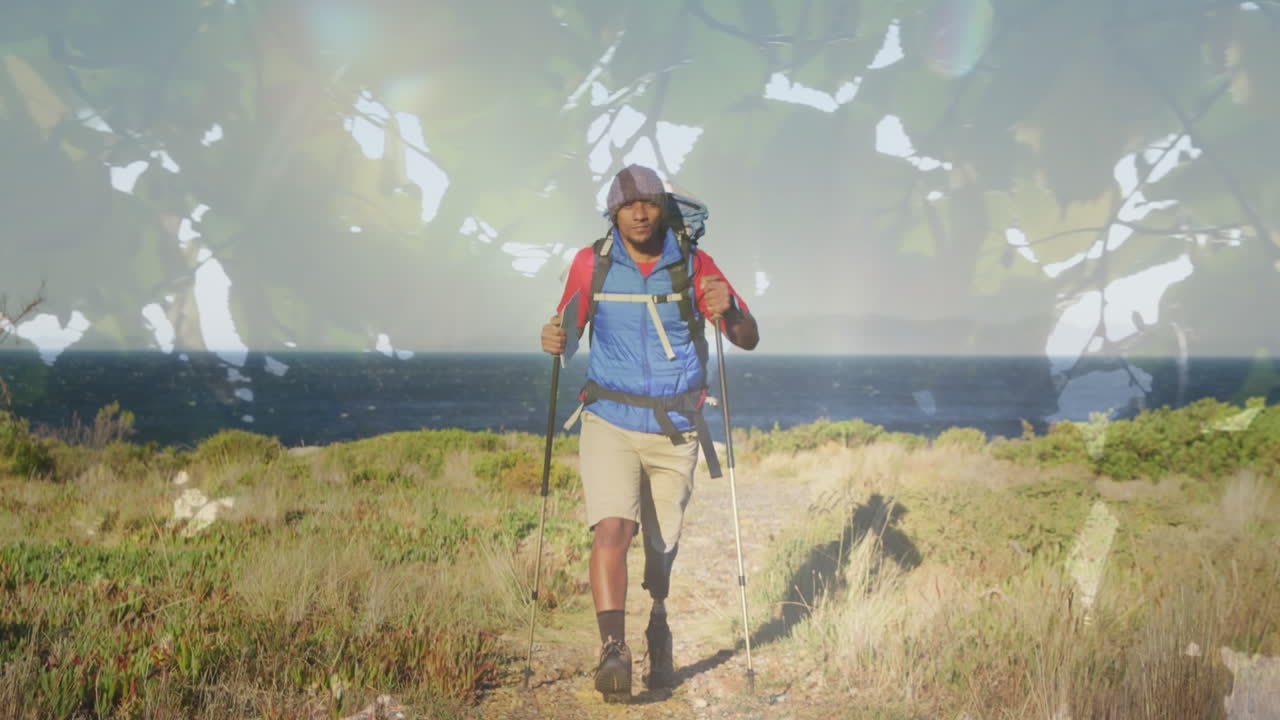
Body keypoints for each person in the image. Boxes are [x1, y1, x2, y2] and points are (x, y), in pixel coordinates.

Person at [540, 164, 759, 703]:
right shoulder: (592, 263)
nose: (639, 213)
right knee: (612, 529)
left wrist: (729, 309)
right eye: (628, 205)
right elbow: (568, 329)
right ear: (613, 213)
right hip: (609, 417)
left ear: (663, 208)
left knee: (661, 547)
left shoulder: (694, 264)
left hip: (676, 427)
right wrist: (555, 338)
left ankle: (657, 619)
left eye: (649, 204)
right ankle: (613, 650)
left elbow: (747, 336)